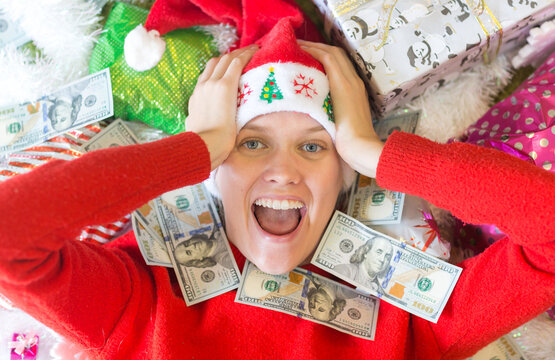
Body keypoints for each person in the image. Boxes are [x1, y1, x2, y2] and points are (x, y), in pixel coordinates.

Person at [0, 1, 554, 359]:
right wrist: (195, 149)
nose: (283, 169)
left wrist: (374, 150)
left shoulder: (412, 322)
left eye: (314, 147)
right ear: (215, 174)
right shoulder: (142, 299)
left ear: (346, 180)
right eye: (250, 144)